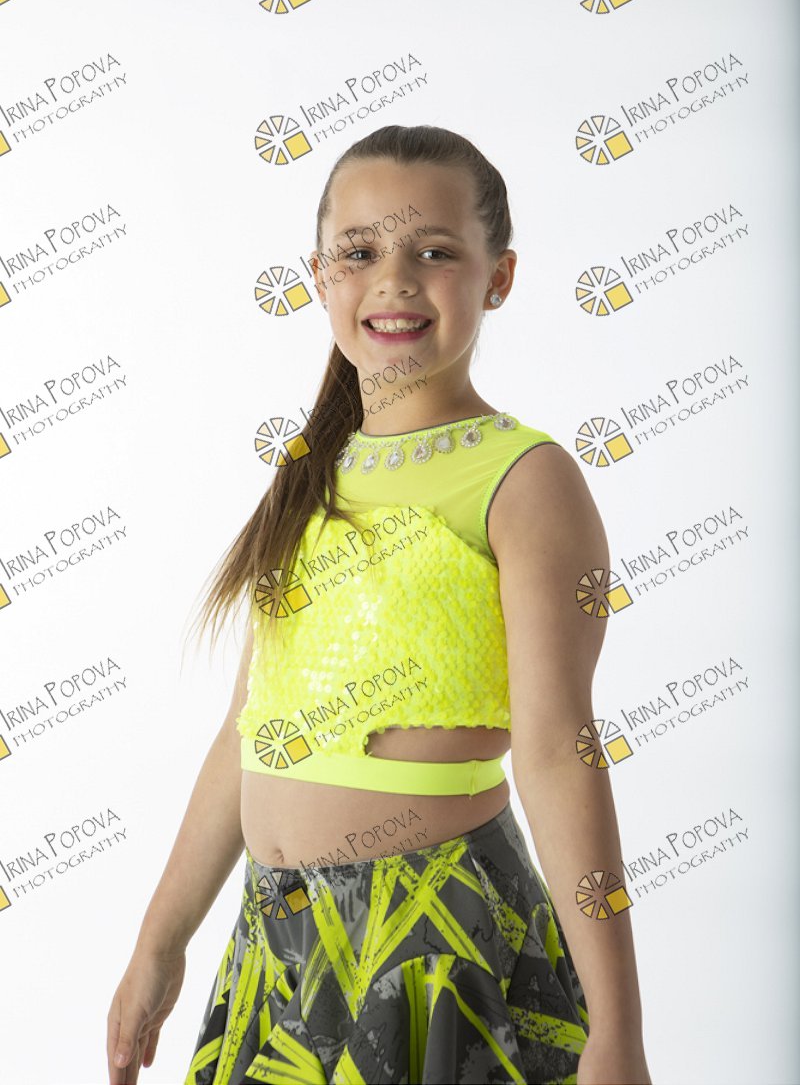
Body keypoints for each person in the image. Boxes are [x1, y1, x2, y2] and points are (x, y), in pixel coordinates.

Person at [106, 124, 652, 1085]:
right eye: (359, 252)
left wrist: (618, 1026)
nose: (393, 280)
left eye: (434, 252)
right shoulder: (308, 474)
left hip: (439, 942)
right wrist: (161, 939)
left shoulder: (525, 479)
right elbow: (249, 730)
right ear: (320, 276)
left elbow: (559, 749)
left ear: (499, 277)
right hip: (278, 943)